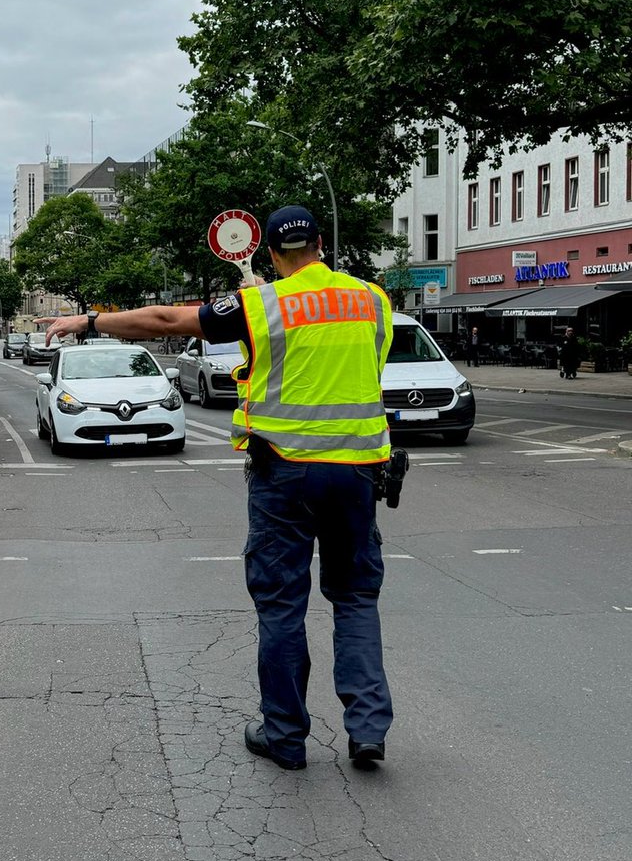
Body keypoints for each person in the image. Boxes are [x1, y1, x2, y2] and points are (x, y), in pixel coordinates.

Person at [39, 206, 395, 771]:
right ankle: (368, 730)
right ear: (321, 244)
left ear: (273, 254)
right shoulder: (373, 300)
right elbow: (365, 368)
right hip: (357, 470)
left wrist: (88, 322)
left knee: (282, 605)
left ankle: (284, 735)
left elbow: (163, 322)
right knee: (355, 598)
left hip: (285, 471)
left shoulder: (262, 304)